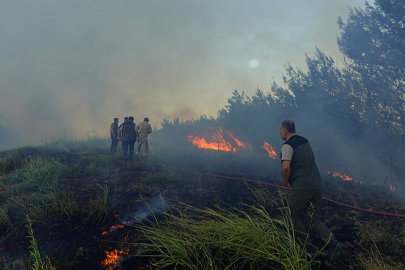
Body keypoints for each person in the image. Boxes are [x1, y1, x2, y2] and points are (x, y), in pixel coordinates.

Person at [279, 120, 343, 261]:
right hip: (317, 186)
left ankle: (306, 248)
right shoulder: (304, 141)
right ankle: (334, 243)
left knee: (293, 214)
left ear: (284, 131)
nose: (280, 133)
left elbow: (285, 167)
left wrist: (286, 180)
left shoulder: (288, 145)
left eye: (280, 130)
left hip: (303, 187)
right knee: (313, 218)